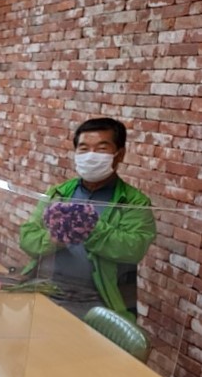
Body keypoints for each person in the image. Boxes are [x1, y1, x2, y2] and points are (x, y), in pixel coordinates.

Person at [19, 118, 155, 321]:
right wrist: (54, 239)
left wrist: (88, 226)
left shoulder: (133, 202)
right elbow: (27, 238)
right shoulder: (58, 193)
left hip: (95, 301)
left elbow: (134, 248)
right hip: (45, 287)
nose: (90, 155)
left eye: (101, 149)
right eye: (83, 149)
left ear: (120, 154)